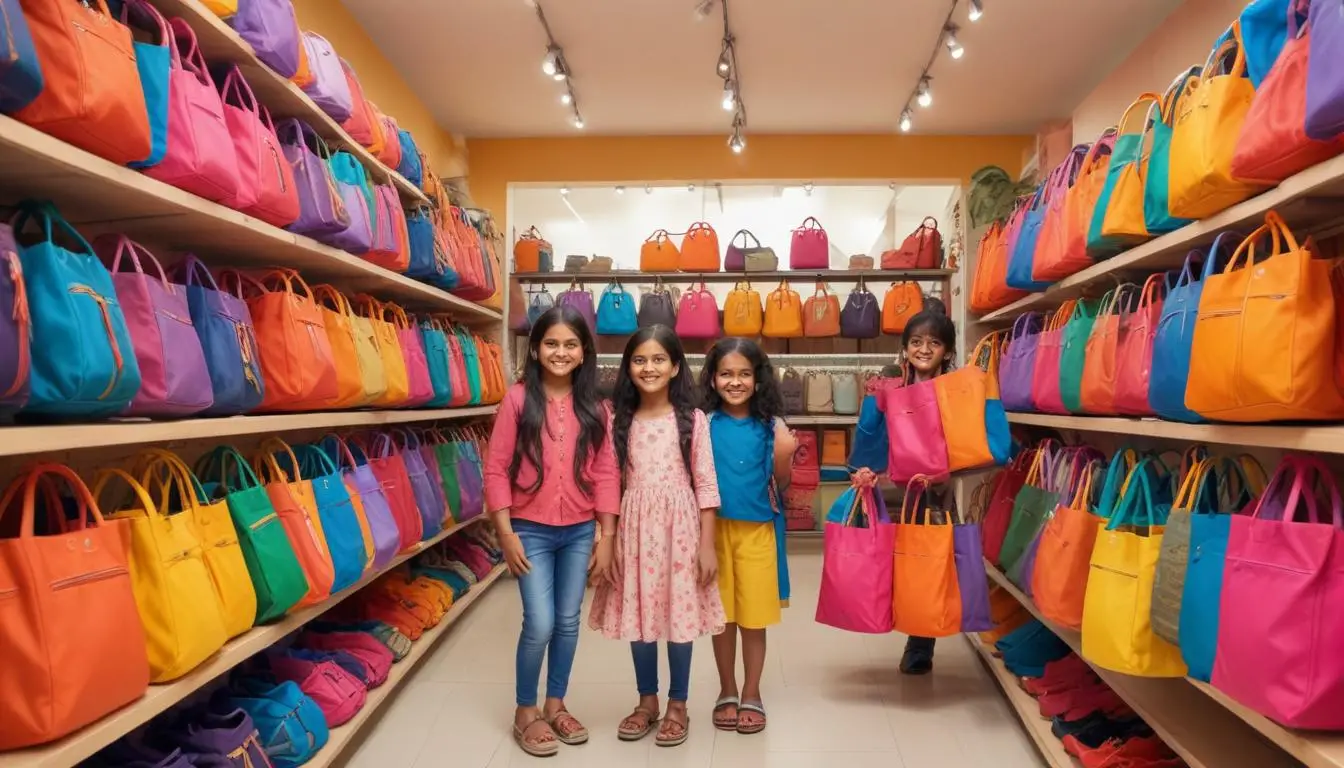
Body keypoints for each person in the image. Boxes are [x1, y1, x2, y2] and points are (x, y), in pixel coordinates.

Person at [483, 305, 620, 758]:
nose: (561, 352)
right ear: (536, 350)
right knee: (539, 621)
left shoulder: (597, 407)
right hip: (529, 530)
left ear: (584, 352)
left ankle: (555, 703)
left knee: (567, 621)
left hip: (579, 531)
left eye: (570, 344)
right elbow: (496, 468)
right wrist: (506, 532)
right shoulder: (518, 400)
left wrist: (607, 537)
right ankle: (525, 709)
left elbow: (607, 472)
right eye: (551, 344)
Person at [588, 325, 725, 748]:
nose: (649, 368)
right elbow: (608, 481)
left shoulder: (693, 420)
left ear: (675, 367)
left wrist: (706, 545)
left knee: (678, 616)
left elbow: (706, 484)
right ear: (628, 367)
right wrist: (606, 537)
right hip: (633, 530)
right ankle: (646, 700)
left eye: (658, 360)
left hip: (680, 531)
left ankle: (678, 703)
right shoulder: (616, 418)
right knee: (640, 614)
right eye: (639, 360)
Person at [699, 337, 796, 735]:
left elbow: (782, 484)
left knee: (754, 620)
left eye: (744, 374)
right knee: (721, 618)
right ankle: (727, 688)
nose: (735, 382)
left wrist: (784, 454)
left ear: (758, 379)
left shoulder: (772, 426)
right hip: (713, 532)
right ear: (712, 378)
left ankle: (752, 692)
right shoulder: (703, 424)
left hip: (758, 532)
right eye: (726, 374)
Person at [883, 308, 958, 675]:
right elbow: (872, 432)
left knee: (927, 563)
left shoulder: (955, 388)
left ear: (947, 351)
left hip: (934, 490)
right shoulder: (890, 384)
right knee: (891, 560)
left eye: (934, 343)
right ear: (904, 347)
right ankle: (886, 615)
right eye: (916, 341)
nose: (924, 349)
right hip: (893, 486)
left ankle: (919, 644)